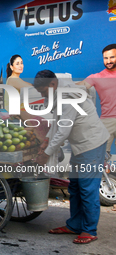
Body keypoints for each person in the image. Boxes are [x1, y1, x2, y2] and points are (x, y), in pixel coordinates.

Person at [34, 70, 109, 244]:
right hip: (79, 145)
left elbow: (63, 131)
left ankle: (89, 230)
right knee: (75, 187)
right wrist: (46, 140)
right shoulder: (56, 93)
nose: (43, 96)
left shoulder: (68, 96)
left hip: (91, 144)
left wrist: (46, 154)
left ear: (52, 85)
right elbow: (57, 121)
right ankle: (75, 225)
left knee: (87, 188)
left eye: (43, 92)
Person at [78, 44, 116, 153]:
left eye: (112, 57)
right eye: (106, 58)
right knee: (102, 154)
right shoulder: (96, 77)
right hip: (106, 120)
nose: (108, 61)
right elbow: (79, 87)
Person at [5, 54, 49, 143]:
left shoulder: (16, 79)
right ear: (12, 67)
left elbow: (30, 86)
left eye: (21, 63)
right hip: (14, 117)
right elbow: (30, 88)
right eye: (17, 63)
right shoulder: (12, 79)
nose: (20, 65)